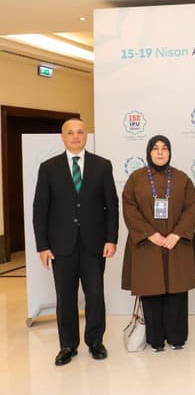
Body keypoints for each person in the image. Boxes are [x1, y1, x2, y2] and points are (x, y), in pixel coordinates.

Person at [32, 118, 118, 366]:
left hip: (94, 244)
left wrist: (111, 239)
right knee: (65, 297)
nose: (76, 136)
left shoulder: (102, 166)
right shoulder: (48, 168)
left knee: (95, 295)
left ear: (86, 135)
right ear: (63, 137)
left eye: (80, 132)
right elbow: (40, 209)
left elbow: (112, 206)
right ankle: (68, 345)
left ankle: (95, 342)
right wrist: (42, 245)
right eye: (70, 133)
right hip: (61, 246)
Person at [121, 136, 195, 351]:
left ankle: (177, 338)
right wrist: (149, 233)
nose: (160, 152)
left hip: (176, 243)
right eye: (156, 149)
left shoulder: (181, 178)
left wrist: (176, 234)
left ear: (170, 152)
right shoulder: (136, 178)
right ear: (149, 152)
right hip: (147, 244)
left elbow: (191, 206)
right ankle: (155, 339)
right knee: (151, 289)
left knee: (177, 290)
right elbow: (130, 208)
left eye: (165, 148)